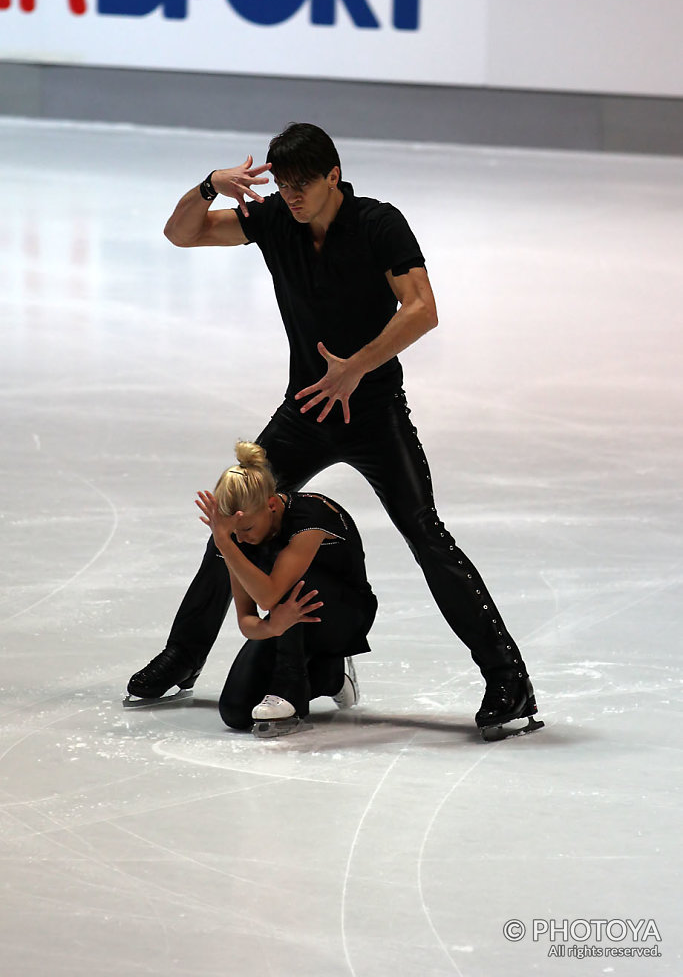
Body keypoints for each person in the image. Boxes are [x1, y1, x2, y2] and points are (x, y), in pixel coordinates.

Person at [127, 122, 542, 738]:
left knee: (426, 537)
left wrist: (357, 368)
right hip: (304, 411)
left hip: (373, 412)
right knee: (235, 521)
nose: (291, 196)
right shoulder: (273, 221)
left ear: (333, 176)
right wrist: (209, 185)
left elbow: (423, 308)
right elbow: (181, 233)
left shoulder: (379, 224)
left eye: (302, 185)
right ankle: (183, 657)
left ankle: (509, 681)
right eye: (283, 184)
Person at [196, 441, 376, 734]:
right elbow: (246, 619)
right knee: (236, 712)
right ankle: (331, 676)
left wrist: (226, 545)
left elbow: (269, 596)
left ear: (271, 504)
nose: (241, 540)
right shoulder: (235, 539)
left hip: (343, 614)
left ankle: (289, 691)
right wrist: (271, 628)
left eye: (247, 530)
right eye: (234, 534)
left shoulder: (311, 518)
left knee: (289, 586)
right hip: (290, 618)